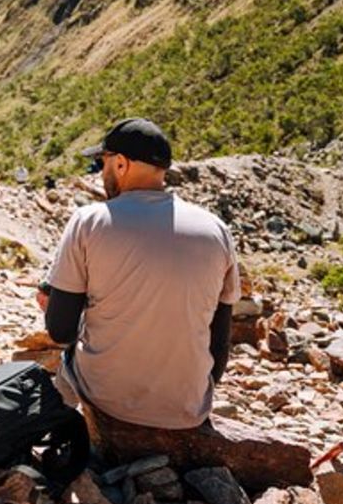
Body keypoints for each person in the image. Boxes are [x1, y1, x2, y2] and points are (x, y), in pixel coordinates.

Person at [38, 117, 239, 431]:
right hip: (187, 410)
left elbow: (60, 331)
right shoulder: (217, 230)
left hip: (108, 402)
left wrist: (58, 304)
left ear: (120, 164)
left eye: (102, 164)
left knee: (61, 368)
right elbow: (220, 336)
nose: (101, 173)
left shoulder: (89, 221)